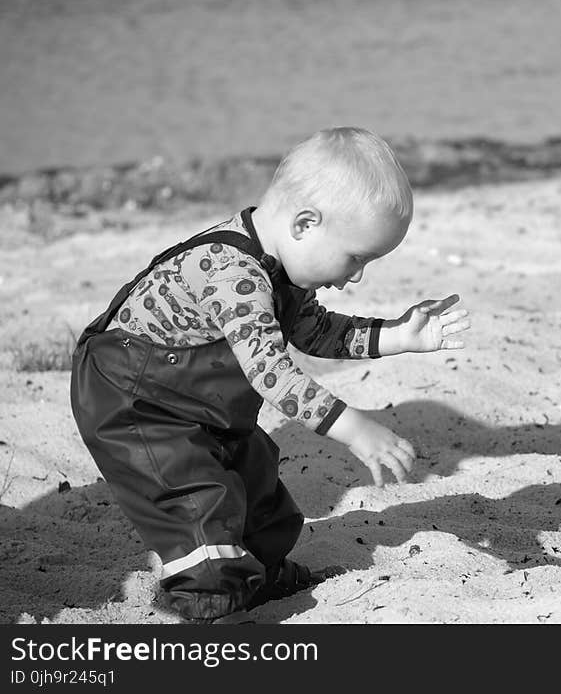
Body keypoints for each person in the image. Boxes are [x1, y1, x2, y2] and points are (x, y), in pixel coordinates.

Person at [69, 127, 471, 623]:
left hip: (195, 401)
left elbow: (316, 332)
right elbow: (271, 373)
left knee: (257, 479)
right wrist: (353, 427)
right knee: (197, 505)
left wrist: (397, 335)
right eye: (357, 258)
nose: (357, 276)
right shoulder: (233, 272)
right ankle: (209, 606)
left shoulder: (280, 267)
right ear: (305, 224)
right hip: (135, 400)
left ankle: (261, 572)